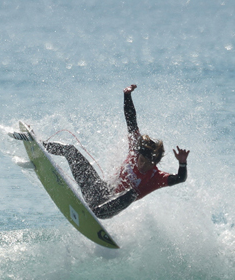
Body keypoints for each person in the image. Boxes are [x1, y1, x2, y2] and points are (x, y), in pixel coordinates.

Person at [44, 84, 189, 219]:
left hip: (108, 208)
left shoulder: (156, 177)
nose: (142, 165)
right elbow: (131, 121)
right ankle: (40, 145)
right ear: (138, 155)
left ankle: (94, 213)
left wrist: (182, 163)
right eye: (141, 160)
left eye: (147, 164)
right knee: (70, 150)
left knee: (132, 193)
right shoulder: (135, 150)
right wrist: (127, 95)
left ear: (155, 163)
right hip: (98, 192)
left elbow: (180, 179)